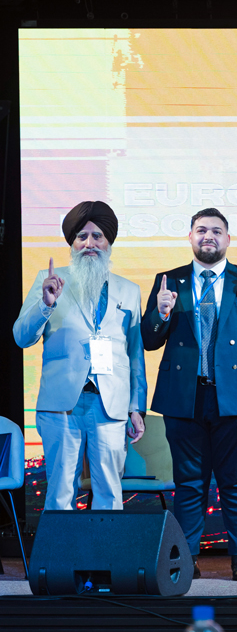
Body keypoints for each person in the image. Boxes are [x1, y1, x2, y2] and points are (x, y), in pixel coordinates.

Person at [141, 208, 237, 581]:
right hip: (183, 398)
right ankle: (187, 560)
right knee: (189, 485)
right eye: (201, 230)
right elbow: (149, 340)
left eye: (216, 231)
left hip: (236, 398)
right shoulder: (168, 281)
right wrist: (161, 313)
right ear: (190, 237)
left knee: (236, 482)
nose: (208, 236)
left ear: (228, 239)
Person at [14, 201, 146, 510]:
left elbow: (135, 353)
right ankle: (61, 546)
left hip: (109, 405)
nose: (89, 243)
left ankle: (107, 546)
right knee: (60, 493)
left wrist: (136, 406)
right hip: (61, 405)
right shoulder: (49, 281)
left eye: (97, 236)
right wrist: (45, 304)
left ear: (108, 243)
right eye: (82, 237)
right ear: (72, 243)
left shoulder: (129, 290)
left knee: (109, 494)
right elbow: (21, 337)